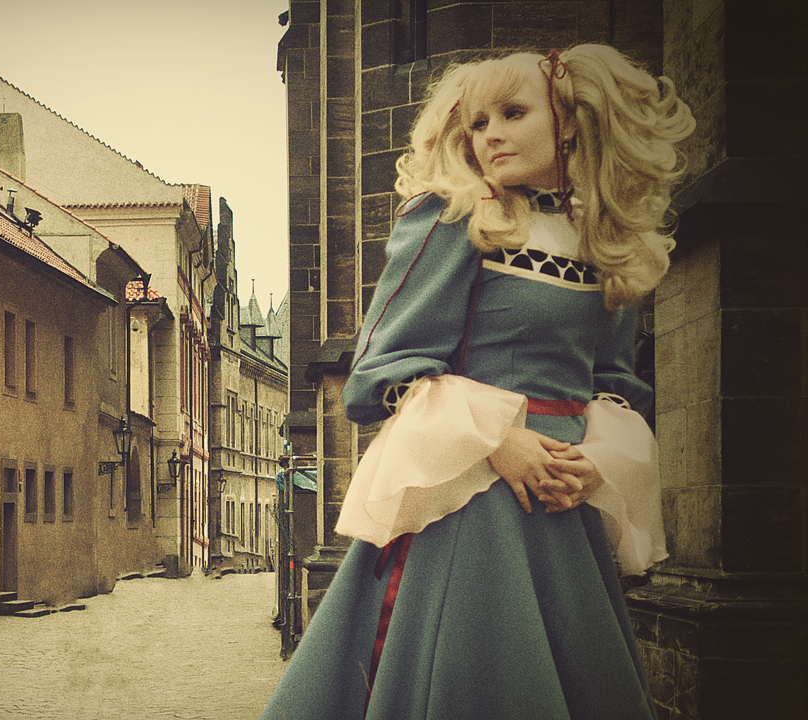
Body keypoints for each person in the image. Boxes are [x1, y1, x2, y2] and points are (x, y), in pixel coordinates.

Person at [260, 44, 694, 720]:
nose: (490, 135)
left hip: (562, 503)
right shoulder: (455, 218)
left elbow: (613, 382)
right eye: (478, 123)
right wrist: (498, 440)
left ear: (569, 121)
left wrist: (598, 461)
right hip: (473, 498)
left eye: (513, 114)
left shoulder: (602, 238)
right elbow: (378, 375)